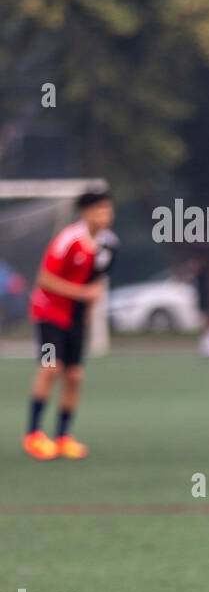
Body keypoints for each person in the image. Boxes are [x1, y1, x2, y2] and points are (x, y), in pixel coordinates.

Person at [22, 190, 115, 460]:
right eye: (100, 210)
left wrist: (88, 305)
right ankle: (34, 435)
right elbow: (44, 280)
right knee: (51, 368)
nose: (106, 215)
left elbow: (97, 279)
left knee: (74, 376)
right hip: (48, 315)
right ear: (85, 213)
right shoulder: (67, 241)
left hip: (75, 320)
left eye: (109, 210)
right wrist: (81, 294)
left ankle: (63, 437)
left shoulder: (109, 244)